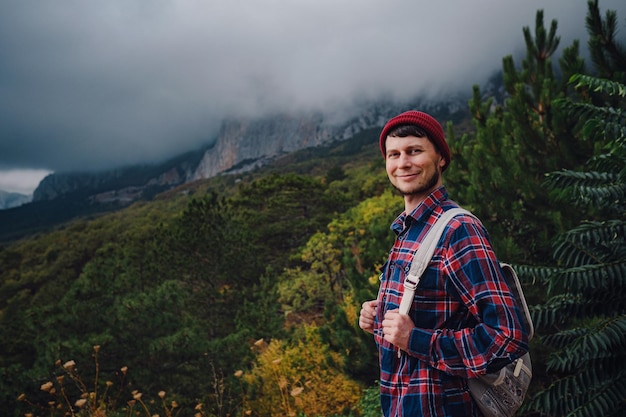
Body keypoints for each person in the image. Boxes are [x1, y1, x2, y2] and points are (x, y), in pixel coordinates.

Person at [358, 110, 530, 417]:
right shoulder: (408, 230)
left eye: (414, 151)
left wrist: (415, 339)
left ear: (440, 158)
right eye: (393, 154)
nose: (403, 163)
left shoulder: (457, 229)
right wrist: (379, 316)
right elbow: (433, 311)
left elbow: (507, 336)